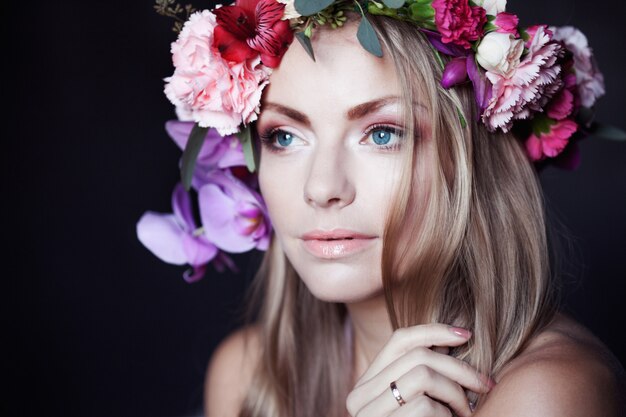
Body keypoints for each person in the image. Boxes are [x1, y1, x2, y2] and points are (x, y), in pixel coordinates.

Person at [138, 1, 625, 416]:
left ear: (469, 159)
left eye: (383, 134)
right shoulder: (248, 377)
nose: (323, 187)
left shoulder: (546, 394)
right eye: (284, 136)